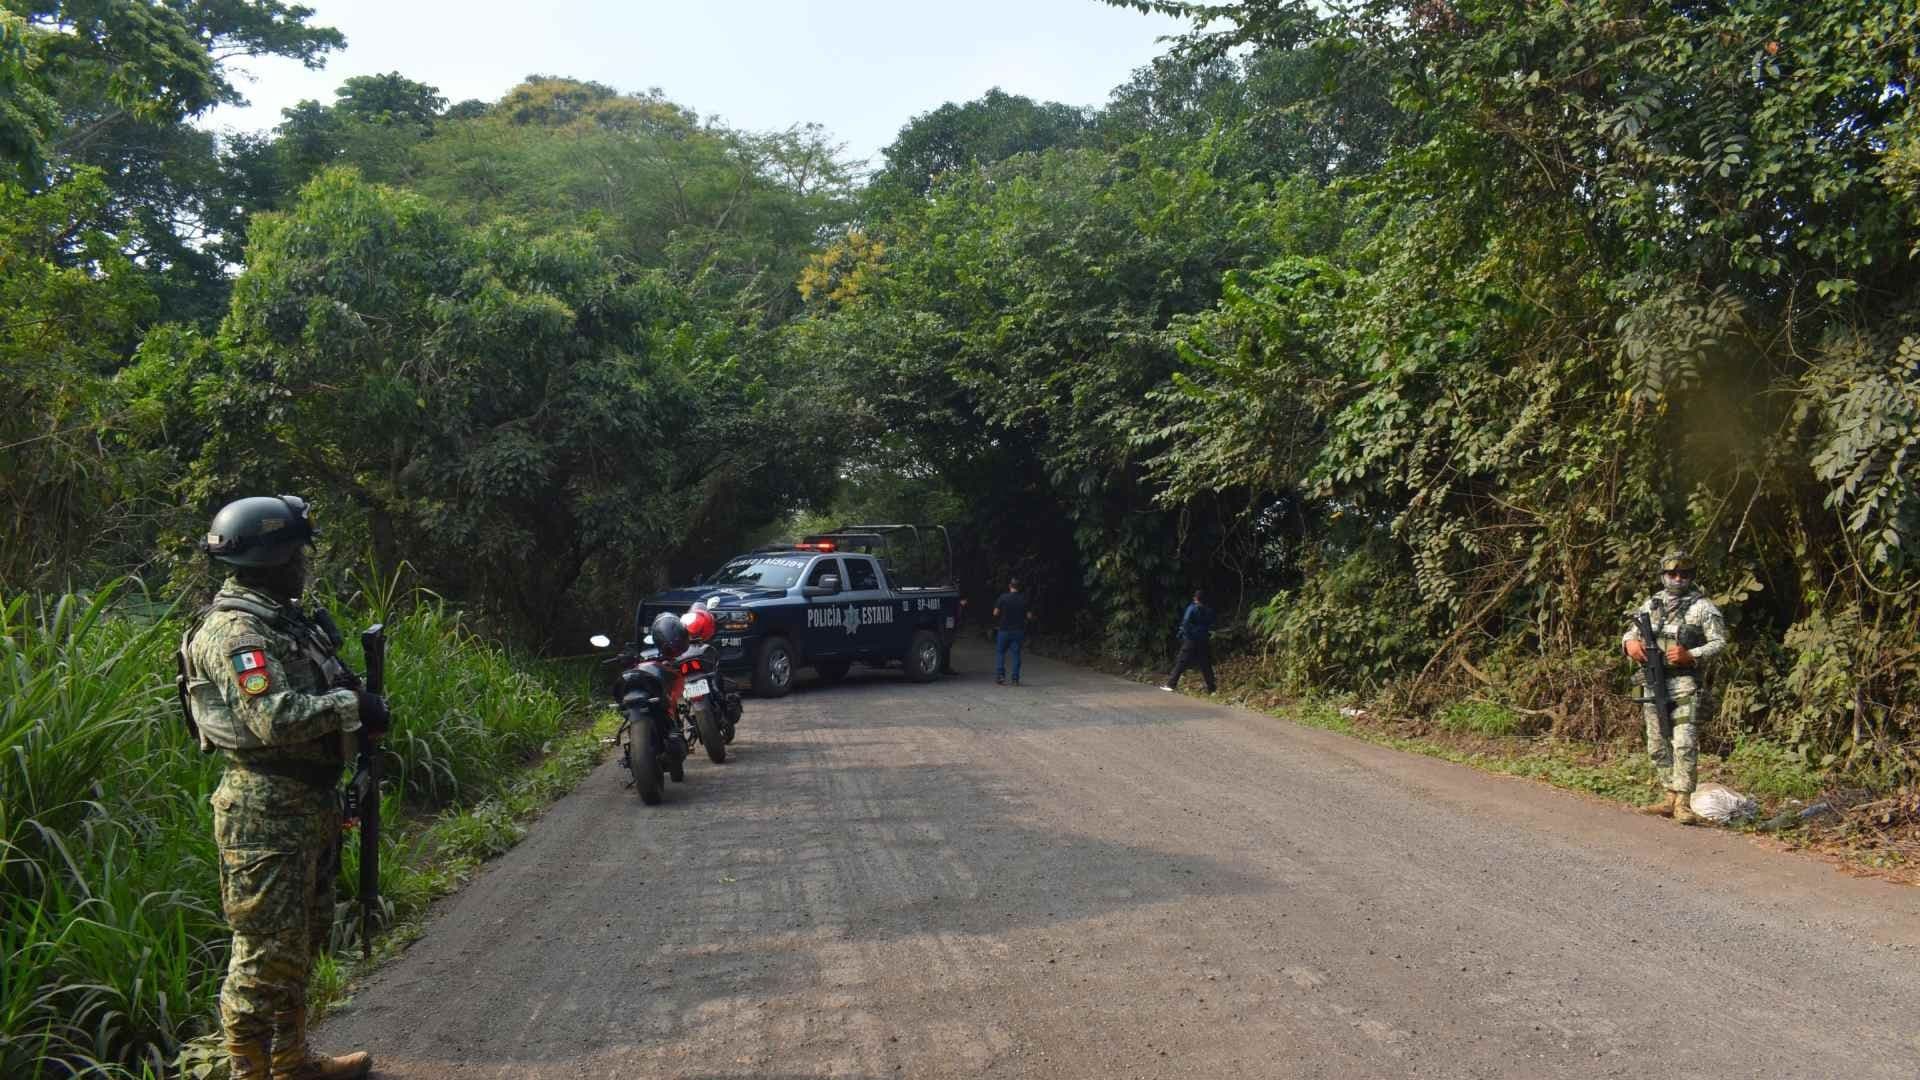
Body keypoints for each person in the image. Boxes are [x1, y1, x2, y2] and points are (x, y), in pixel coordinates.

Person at [179, 495, 387, 1080]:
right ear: (274, 559)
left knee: (301, 944)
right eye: (297, 554)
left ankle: (293, 1061)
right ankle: (249, 1071)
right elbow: (272, 717)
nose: (303, 565)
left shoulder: (281, 620)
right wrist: (352, 705)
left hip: (307, 801)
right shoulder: (236, 632)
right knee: (263, 955)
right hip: (264, 811)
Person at [1621, 551, 1727, 825]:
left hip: (1683, 684)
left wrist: (1691, 654)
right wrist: (1630, 645)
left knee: (1684, 742)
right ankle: (1669, 796)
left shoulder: (1703, 607)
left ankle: (1683, 802)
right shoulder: (1651, 603)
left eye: (1685, 574)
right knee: (1657, 743)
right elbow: (1631, 633)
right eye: (1672, 574)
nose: (1678, 579)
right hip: (1652, 681)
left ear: (1692, 576)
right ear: (1663, 575)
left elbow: (1719, 642)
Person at [1162, 589, 1216, 694]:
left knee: (1181, 661)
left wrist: (1185, 635)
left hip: (1191, 639)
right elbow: (1211, 624)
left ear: (1195, 598)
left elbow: (1185, 623)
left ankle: (1171, 684)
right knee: (1205, 664)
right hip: (1203, 639)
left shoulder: (1192, 608)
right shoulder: (1209, 610)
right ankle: (1212, 688)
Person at [991, 578, 1030, 686]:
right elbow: (1028, 616)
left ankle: (1000, 677)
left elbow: (995, 613)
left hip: (1004, 630)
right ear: (1019, 587)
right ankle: (1015, 679)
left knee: (1000, 653)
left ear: (1010, 586)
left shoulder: (1003, 598)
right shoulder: (1023, 599)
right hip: (1018, 631)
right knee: (1016, 654)